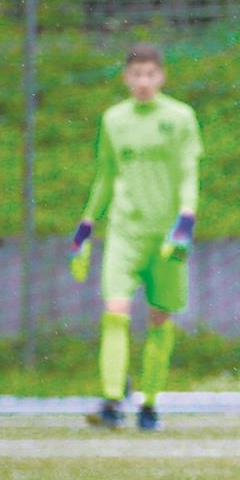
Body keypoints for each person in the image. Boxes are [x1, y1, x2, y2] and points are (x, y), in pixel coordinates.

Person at [69, 42, 202, 431]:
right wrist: (86, 223)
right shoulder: (113, 119)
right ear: (127, 78)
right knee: (115, 313)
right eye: (136, 74)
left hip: (166, 237)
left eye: (150, 74)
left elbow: (188, 172)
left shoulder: (180, 118)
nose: (143, 82)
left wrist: (186, 218)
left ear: (161, 77)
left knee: (160, 318)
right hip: (125, 234)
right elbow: (106, 176)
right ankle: (112, 400)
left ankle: (148, 403)